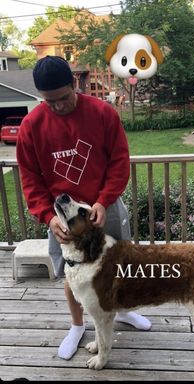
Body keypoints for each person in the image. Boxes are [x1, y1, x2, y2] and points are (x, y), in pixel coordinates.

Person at [16, 55, 151, 360]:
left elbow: (119, 162)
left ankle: (123, 311)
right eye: (49, 102)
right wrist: (48, 217)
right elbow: (31, 180)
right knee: (71, 272)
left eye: (63, 98)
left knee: (119, 264)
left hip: (106, 205)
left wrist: (104, 200)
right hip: (63, 216)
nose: (58, 106)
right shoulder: (31, 127)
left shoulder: (103, 113)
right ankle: (77, 326)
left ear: (75, 84)